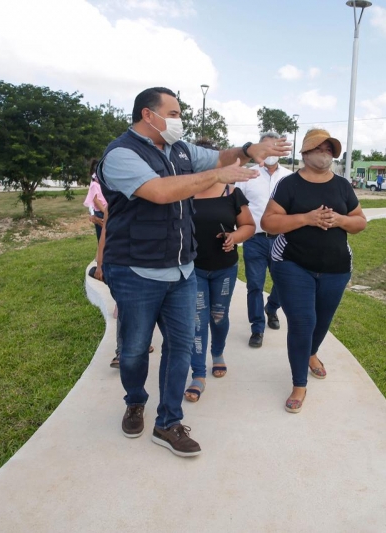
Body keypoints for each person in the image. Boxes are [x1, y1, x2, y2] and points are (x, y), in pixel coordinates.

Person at [97, 87, 290, 457]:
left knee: (181, 346)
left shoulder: (181, 149)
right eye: (172, 112)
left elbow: (221, 155)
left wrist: (251, 150)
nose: (178, 119)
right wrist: (217, 174)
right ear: (147, 115)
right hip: (136, 271)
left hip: (183, 270)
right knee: (135, 349)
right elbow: (160, 191)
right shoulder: (121, 154)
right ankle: (135, 400)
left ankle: (168, 421)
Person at [262, 128, 366, 413]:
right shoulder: (289, 184)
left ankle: (311, 353)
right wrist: (306, 218)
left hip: (336, 267)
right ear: (305, 153)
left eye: (329, 149)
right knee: (302, 323)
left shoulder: (343, 186)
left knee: (322, 322)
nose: (325, 153)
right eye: (319, 148)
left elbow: (360, 222)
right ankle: (299, 384)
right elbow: (269, 222)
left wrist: (341, 220)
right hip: (293, 264)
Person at [184, 177, 255, 402]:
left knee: (218, 316)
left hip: (224, 268)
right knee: (197, 319)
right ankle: (198, 374)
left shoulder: (231, 193)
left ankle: (217, 352)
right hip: (193, 268)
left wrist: (234, 237)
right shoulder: (183, 193)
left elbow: (249, 226)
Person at [236, 131, 292, 348]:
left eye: (274, 148)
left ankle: (272, 308)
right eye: (265, 147)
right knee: (255, 286)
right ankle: (257, 328)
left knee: (283, 282)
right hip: (255, 239)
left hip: (282, 240)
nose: (270, 153)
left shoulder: (289, 177)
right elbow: (236, 205)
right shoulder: (248, 175)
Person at [83, 159, 107, 243]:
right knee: (102, 237)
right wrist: (105, 211)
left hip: (105, 210)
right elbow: (95, 200)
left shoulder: (103, 183)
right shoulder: (94, 184)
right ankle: (101, 254)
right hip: (101, 212)